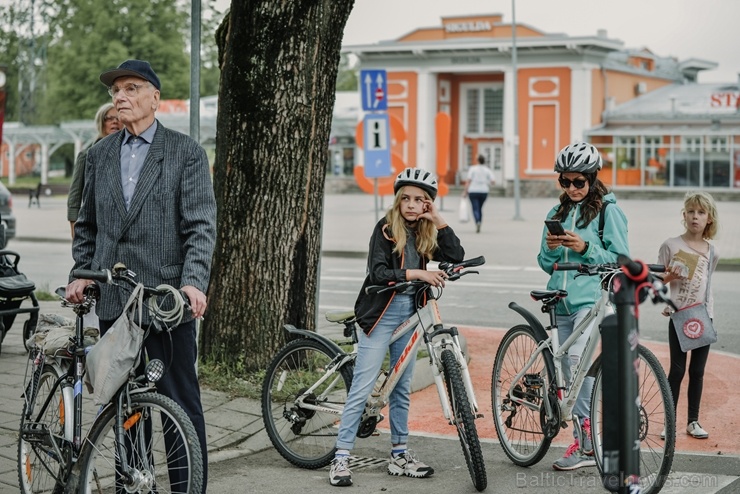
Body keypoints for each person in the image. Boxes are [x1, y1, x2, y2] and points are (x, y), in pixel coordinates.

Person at [65, 59, 216, 492]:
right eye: (116, 90)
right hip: (115, 303)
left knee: (179, 405)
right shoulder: (99, 154)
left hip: (167, 302)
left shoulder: (186, 152)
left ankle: (188, 488)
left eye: (132, 88)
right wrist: (83, 273)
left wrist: (193, 283)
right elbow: (87, 225)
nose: (120, 97)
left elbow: (200, 226)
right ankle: (134, 486)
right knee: (124, 408)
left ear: (155, 97)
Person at [329, 168, 465, 487]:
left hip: (411, 312)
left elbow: (456, 256)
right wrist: (420, 275)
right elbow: (377, 273)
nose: (412, 205)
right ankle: (341, 458)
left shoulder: (425, 230)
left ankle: (399, 455)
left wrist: (439, 219)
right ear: (397, 200)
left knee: (401, 389)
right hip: (380, 314)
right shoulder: (386, 228)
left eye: (420, 200)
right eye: (406, 198)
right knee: (362, 389)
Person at [537, 142, 629, 471]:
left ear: (592, 179)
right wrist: (550, 249)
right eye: (565, 181)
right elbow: (546, 264)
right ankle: (583, 436)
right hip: (558, 301)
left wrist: (586, 247)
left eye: (579, 182)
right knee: (566, 374)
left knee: (576, 363)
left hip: (589, 300)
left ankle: (587, 443)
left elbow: (620, 260)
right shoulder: (556, 213)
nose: (572, 188)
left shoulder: (608, 212)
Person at [658, 191, 720, 440]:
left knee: (698, 371)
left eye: (701, 212)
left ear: (709, 219)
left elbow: (707, 282)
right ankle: (669, 423)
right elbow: (655, 279)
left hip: (703, 316)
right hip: (679, 316)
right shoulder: (671, 245)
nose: (696, 217)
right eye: (691, 212)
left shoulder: (711, 251)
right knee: (676, 370)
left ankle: (693, 421)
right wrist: (669, 281)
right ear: (684, 215)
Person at [67, 103, 121, 238]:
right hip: (95, 226)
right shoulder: (87, 155)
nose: (115, 122)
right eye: (108, 118)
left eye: (118, 118)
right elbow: (74, 198)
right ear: (100, 123)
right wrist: (75, 232)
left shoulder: (129, 155)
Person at [462, 154, 495, 233]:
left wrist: (465, 192)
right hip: (484, 191)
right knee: (480, 208)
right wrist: (486, 182)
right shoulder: (487, 170)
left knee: (475, 208)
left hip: (473, 190)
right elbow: (493, 181)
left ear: (477, 160)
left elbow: (468, 181)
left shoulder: (473, 169)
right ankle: (479, 221)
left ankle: (477, 221)